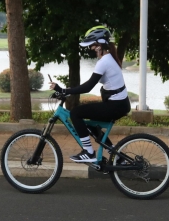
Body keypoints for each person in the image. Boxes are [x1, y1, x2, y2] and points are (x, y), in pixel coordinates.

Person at [49, 25, 131, 162]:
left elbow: (88, 87)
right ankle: (116, 155)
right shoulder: (109, 58)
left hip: (116, 106)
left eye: (92, 45)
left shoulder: (104, 61)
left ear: (100, 45)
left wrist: (63, 90)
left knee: (76, 112)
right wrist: (66, 91)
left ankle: (89, 152)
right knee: (90, 123)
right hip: (119, 104)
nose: (90, 48)